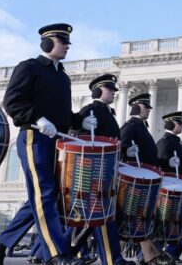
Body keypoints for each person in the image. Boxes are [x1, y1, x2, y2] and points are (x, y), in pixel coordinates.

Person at [0, 24, 94, 265]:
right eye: (62, 40)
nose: (67, 45)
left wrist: (80, 120)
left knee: (47, 195)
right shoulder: (29, 67)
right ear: (46, 42)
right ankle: (55, 254)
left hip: (58, 142)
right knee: (44, 193)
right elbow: (12, 101)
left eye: (68, 41)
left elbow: (63, 114)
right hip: (35, 139)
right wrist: (36, 118)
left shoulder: (62, 76)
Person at [69, 74, 123, 265]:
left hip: (107, 170)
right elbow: (74, 136)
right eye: (110, 90)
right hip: (92, 171)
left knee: (102, 216)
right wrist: (83, 129)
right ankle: (64, 252)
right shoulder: (90, 110)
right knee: (86, 216)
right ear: (99, 90)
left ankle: (112, 259)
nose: (114, 94)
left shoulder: (109, 113)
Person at [120, 93, 174, 265]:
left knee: (139, 219)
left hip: (146, 180)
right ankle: (116, 256)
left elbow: (150, 157)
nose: (149, 110)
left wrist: (165, 164)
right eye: (146, 107)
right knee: (133, 220)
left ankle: (150, 257)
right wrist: (126, 151)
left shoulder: (142, 127)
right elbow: (121, 145)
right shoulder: (130, 126)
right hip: (135, 180)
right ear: (136, 107)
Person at [156, 111, 182, 176]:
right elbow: (162, 165)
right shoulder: (164, 142)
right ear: (170, 124)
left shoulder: (176, 142)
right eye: (179, 123)